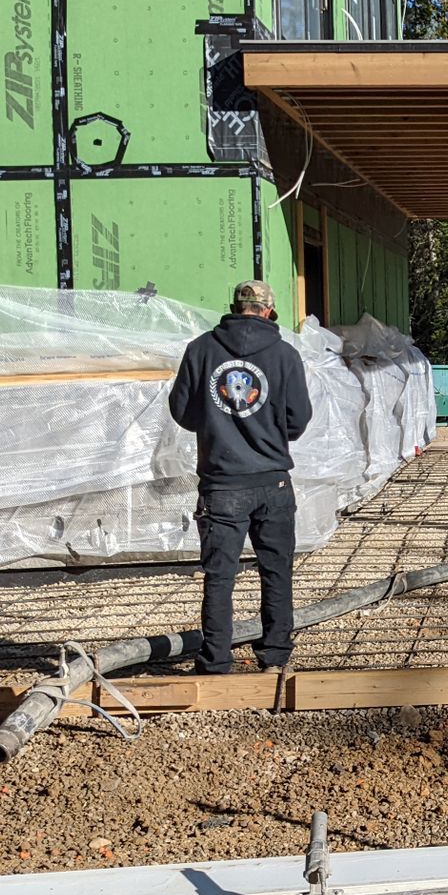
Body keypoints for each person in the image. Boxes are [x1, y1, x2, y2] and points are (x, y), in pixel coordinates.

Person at [168, 280, 312, 674]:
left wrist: (219, 424)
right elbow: (298, 420)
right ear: (268, 312)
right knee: (277, 572)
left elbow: (182, 412)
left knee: (219, 577)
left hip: (221, 483)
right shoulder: (285, 356)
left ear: (233, 307)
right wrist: (266, 430)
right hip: (272, 482)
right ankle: (275, 659)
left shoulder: (200, 350)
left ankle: (216, 663)